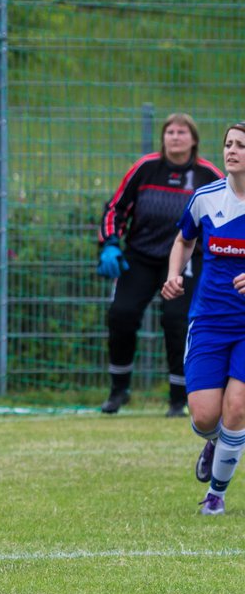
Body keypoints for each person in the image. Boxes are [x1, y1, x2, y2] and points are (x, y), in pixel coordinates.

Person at [98, 112, 222, 416]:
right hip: (141, 256)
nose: (175, 137)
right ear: (163, 138)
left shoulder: (209, 176)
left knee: (178, 322)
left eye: (182, 132)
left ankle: (179, 398)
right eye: (170, 132)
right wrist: (110, 244)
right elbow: (115, 209)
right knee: (121, 315)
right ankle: (118, 390)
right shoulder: (145, 168)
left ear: (193, 139)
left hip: (187, 259)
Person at [162, 121, 245, 515]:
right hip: (210, 321)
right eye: (228, 144)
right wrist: (173, 274)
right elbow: (184, 239)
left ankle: (216, 495)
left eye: (241, 145)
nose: (231, 151)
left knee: (237, 407)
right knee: (205, 416)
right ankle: (216, 442)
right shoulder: (206, 197)